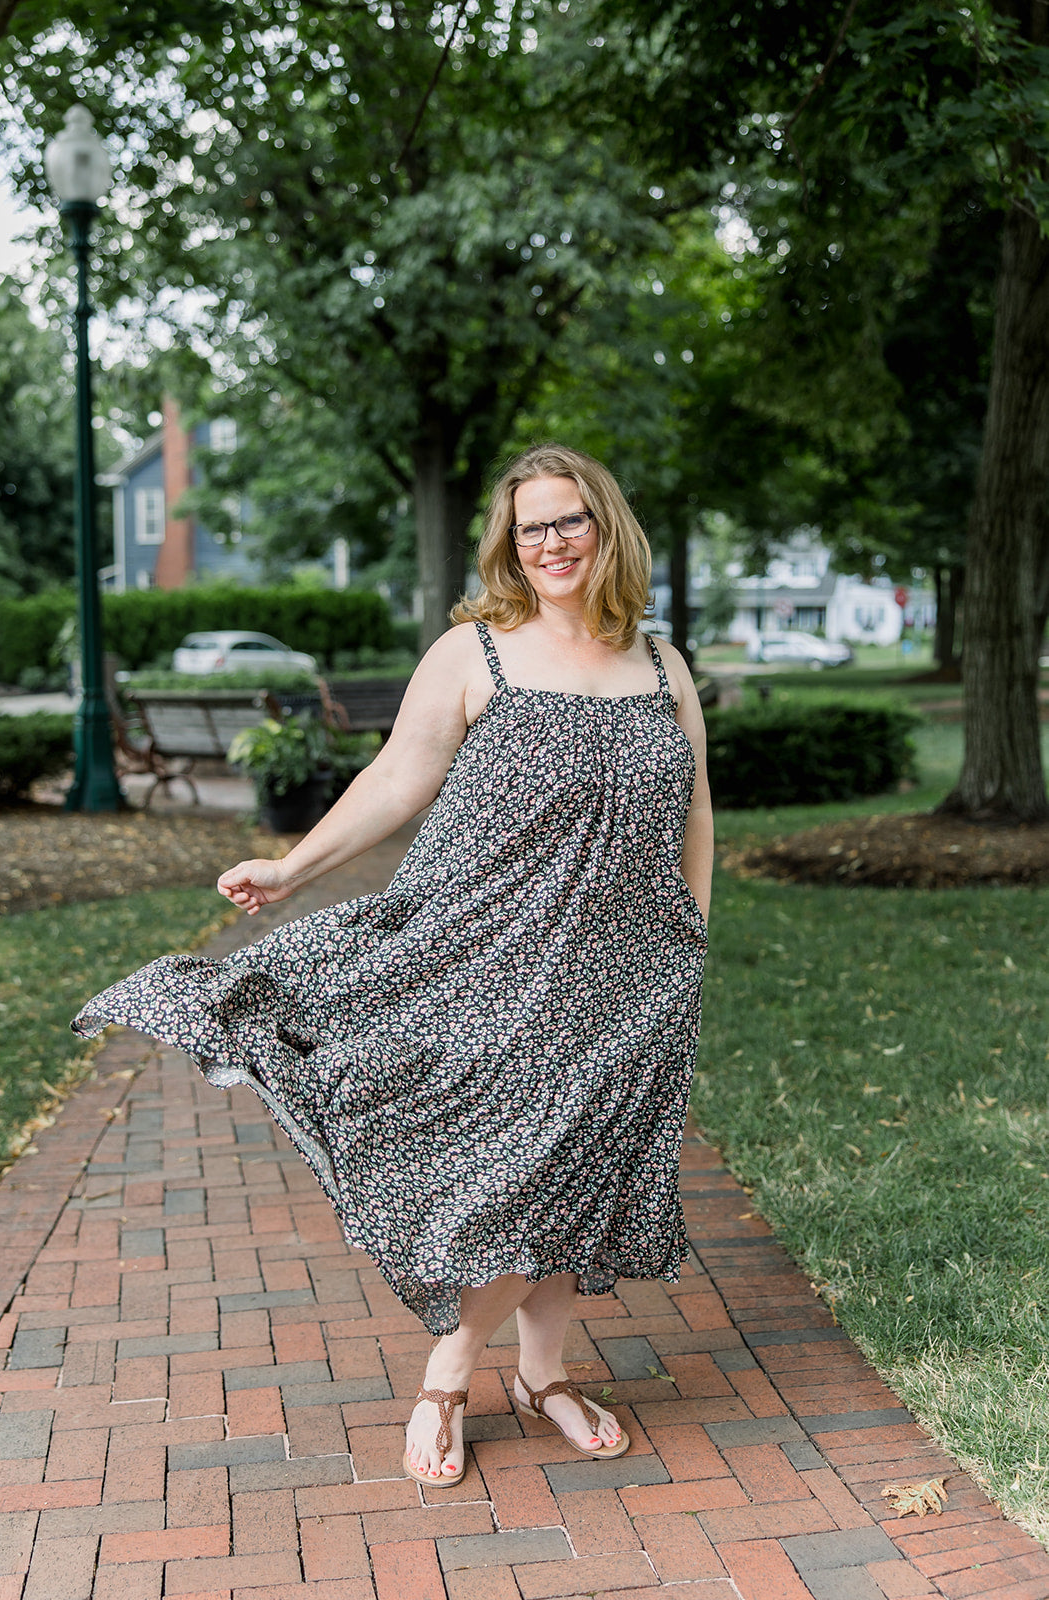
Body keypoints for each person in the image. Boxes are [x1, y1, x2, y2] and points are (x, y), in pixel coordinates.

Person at [72, 443, 712, 1488]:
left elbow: (692, 814)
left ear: (606, 527)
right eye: (529, 525)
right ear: (509, 543)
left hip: (633, 963)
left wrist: (691, 939)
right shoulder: (476, 653)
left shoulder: (660, 664)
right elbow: (396, 775)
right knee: (523, 1165)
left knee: (583, 1157)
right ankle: (452, 1369)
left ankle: (541, 1374)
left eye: (568, 520)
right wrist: (291, 865)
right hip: (487, 948)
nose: (549, 541)